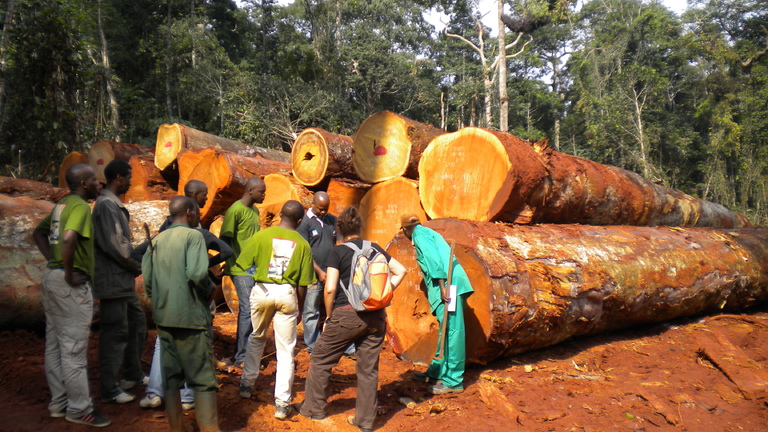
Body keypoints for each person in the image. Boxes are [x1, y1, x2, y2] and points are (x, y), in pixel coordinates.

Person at [300, 206, 406, 432]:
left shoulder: (337, 252)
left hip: (347, 314)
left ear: (338, 231)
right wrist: (386, 293)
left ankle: (313, 409)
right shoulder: (375, 248)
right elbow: (401, 271)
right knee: (368, 370)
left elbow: (329, 288)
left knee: (320, 358)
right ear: (360, 228)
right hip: (376, 316)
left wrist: (329, 316)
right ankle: (365, 422)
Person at [136, 179, 233, 410]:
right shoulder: (195, 236)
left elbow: (146, 273)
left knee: (165, 353)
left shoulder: (159, 237)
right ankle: (189, 398)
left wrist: (155, 295)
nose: (205, 204)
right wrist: (207, 287)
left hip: (163, 310)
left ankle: (155, 394)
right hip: (190, 309)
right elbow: (197, 273)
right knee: (196, 356)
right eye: (203, 198)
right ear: (191, 210)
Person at [32, 163, 111, 427]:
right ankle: (80, 409)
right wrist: (67, 272)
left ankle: (60, 403)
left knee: (54, 344)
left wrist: (53, 263)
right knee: (73, 349)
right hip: (69, 284)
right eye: (95, 180)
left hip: (52, 280)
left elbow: (39, 232)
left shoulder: (61, 205)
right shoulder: (79, 207)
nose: (99, 184)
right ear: (85, 183)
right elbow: (68, 239)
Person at [237, 200, 315, 420]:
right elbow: (303, 283)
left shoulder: (261, 236)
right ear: (300, 221)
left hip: (262, 290)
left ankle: (246, 384)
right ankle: (282, 403)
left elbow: (243, 263)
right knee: (285, 350)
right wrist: (299, 309)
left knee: (257, 337)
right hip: (287, 294)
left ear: (280, 214)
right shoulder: (302, 244)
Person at [399, 214, 473, 395]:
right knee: (446, 329)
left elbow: (433, 260)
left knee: (453, 331)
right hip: (449, 283)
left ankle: (453, 381)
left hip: (449, 286)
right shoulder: (427, 232)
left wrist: (443, 287)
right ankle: (437, 371)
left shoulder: (419, 235)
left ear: (404, 230)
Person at [92, 159, 145, 405]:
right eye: (129, 177)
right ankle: (110, 387)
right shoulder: (106, 205)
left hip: (122, 281)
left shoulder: (113, 204)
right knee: (115, 332)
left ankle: (132, 373)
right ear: (119, 178)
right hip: (113, 281)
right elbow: (117, 247)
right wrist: (139, 266)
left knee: (137, 321)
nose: (131, 182)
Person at [220, 177, 266, 367]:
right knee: (247, 309)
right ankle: (241, 357)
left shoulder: (254, 211)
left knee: (255, 309)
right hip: (240, 269)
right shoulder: (235, 210)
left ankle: (249, 353)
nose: (264, 195)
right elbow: (224, 239)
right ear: (250, 191)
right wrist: (233, 262)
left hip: (253, 269)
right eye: (261, 192)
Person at [296, 191, 340, 353]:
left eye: (326, 208)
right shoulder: (304, 223)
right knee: (311, 309)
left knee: (332, 308)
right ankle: (312, 344)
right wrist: (320, 272)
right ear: (313, 204)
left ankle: (334, 341)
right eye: (321, 209)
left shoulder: (331, 220)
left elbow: (338, 243)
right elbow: (305, 252)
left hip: (331, 272)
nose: (324, 212)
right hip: (313, 274)